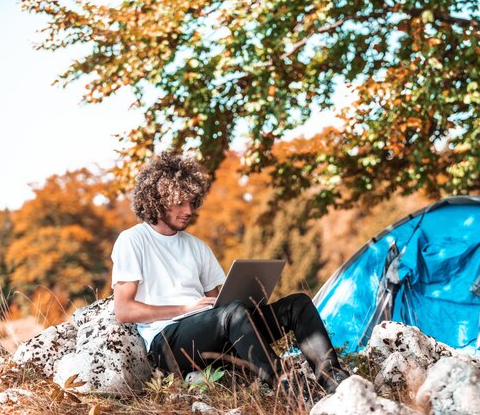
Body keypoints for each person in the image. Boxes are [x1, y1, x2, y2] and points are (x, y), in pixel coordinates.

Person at [111, 150, 347, 394]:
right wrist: (185, 309)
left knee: (297, 304)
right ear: (158, 200)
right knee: (233, 313)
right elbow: (124, 310)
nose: (189, 210)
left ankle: (334, 381)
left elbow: (217, 306)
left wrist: (243, 306)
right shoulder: (132, 240)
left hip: (217, 335)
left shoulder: (197, 246)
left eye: (192, 202)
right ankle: (288, 388)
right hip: (166, 342)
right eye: (180, 203)